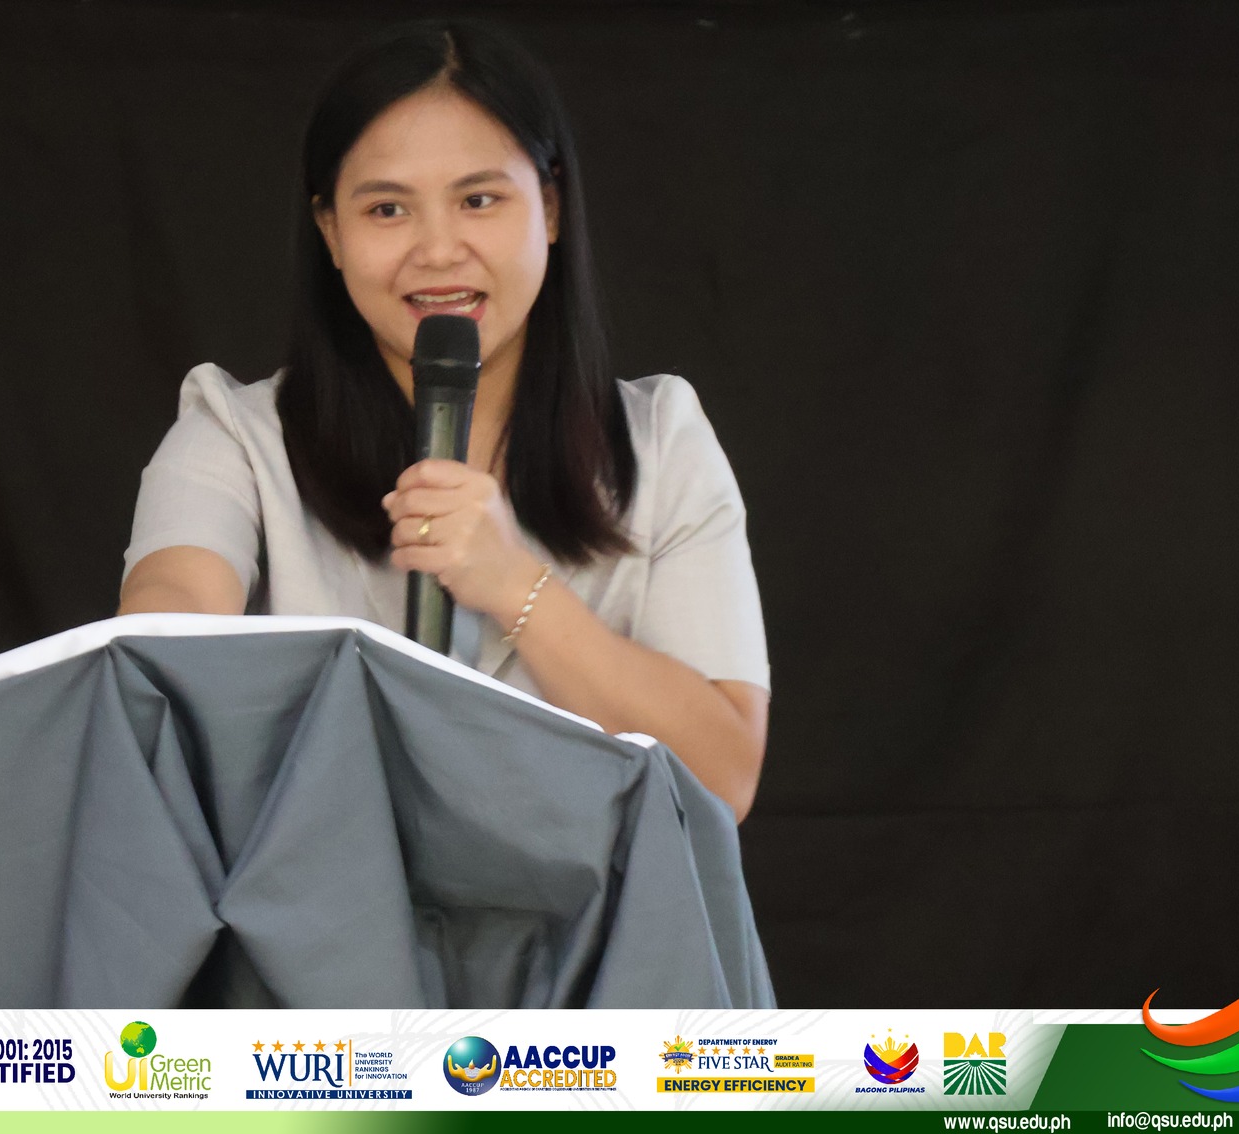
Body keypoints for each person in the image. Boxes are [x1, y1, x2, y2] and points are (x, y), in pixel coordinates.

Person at [119, 20, 769, 818]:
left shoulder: (662, 441)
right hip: (314, 894)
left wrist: (515, 584)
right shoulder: (236, 437)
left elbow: (723, 777)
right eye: (387, 209)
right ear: (331, 231)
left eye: (478, 200)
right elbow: (158, 642)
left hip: (592, 901)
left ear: (550, 207)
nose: (436, 250)